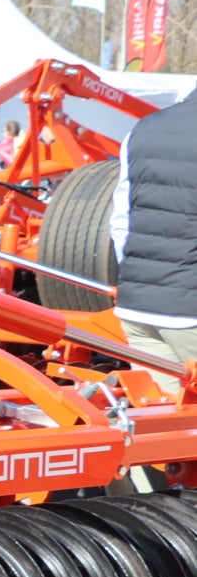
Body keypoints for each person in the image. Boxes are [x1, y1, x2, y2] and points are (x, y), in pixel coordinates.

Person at [109, 85, 197, 395]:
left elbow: (121, 222)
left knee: (171, 430)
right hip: (190, 312)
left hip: (138, 311)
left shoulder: (142, 130)